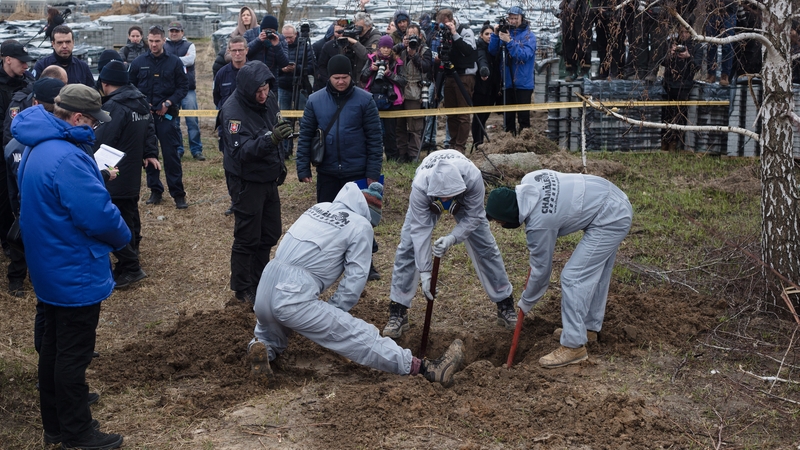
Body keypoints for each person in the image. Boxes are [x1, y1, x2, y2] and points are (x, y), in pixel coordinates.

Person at [246, 181, 465, 388]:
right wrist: (334, 313)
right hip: (294, 294)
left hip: (266, 284)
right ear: (370, 216)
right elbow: (354, 281)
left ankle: (263, 349)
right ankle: (424, 368)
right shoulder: (360, 225)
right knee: (357, 334)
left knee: (269, 332)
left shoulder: (319, 207)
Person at [13, 83, 129, 450]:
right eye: (93, 122)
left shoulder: (35, 146)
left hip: (48, 265)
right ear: (77, 117)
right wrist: (123, 238)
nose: (95, 128)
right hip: (74, 270)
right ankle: (78, 432)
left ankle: (56, 427)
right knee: (72, 357)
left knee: (52, 349)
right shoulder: (69, 158)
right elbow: (98, 216)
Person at [485, 170, 633, 368]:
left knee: (574, 277)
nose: (500, 225)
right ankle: (587, 328)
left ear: (509, 215)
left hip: (611, 217)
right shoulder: (530, 179)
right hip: (610, 195)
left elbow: (541, 272)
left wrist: (526, 302)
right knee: (595, 270)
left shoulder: (540, 224)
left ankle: (574, 346)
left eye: (500, 221)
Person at [382, 150, 516, 338]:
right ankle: (398, 309)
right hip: (428, 195)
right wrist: (426, 273)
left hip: (463, 196)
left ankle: (504, 302)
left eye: (448, 197)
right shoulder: (421, 185)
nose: (445, 203)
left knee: (485, 246)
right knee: (408, 247)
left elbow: (475, 216)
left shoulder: (472, 178)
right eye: (441, 198)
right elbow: (420, 230)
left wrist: (453, 237)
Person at [296, 55, 383, 279]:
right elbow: (305, 136)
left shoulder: (365, 100)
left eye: (345, 77)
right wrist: (302, 167)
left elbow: (375, 139)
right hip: (327, 170)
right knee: (327, 219)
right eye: (337, 77)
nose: (341, 82)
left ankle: (366, 263)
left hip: (358, 171)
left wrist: (372, 173)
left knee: (361, 222)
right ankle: (328, 263)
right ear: (329, 77)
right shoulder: (315, 101)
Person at [218, 60, 291, 304]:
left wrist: (280, 147)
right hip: (246, 181)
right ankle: (242, 287)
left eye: (266, 89)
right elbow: (241, 152)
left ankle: (259, 279)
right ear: (248, 90)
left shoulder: (269, 98)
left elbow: (274, 123)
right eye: (258, 92)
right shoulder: (233, 112)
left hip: (268, 176)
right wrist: (271, 140)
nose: (263, 95)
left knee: (270, 232)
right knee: (248, 235)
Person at [95, 60, 160, 288]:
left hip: (114, 172)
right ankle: (130, 257)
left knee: (115, 220)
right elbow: (150, 129)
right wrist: (151, 152)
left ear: (105, 83)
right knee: (130, 214)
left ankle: (130, 265)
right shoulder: (139, 101)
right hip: (132, 171)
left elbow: (103, 139)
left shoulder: (115, 107)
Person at [129, 25, 189, 209]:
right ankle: (155, 190)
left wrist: (169, 103)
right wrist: (142, 102)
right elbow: (130, 86)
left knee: (171, 155)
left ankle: (178, 193)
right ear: (147, 40)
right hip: (146, 117)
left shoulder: (175, 62)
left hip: (167, 116)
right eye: (151, 41)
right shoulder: (138, 62)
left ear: (164, 41)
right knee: (149, 153)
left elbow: (183, 87)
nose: (154, 44)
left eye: (157, 41)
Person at [0, 40, 33, 268]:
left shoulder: (29, 83)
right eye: (21, 62)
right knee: (3, 199)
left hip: (23, 151)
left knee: (21, 198)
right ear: (7, 60)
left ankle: (21, 241)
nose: (25, 66)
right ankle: (7, 240)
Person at [434, 9, 479, 153]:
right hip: (449, 76)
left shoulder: (465, 31)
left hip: (464, 75)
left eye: (445, 24)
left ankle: (460, 146)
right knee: (451, 113)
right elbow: (445, 52)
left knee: (463, 114)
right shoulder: (443, 34)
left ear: (451, 20)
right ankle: (452, 144)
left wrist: (455, 34)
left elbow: (468, 50)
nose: (443, 27)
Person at [213, 36, 248, 216]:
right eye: (233, 50)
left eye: (240, 50)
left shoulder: (254, 71)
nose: (237, 54)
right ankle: (235, 201)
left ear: (246, 51)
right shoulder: (222, 74)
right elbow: (217, 98)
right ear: (229, 52)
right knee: (230, 168)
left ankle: (249, 201)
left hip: (250, 130)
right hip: (228, 131)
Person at [488, 6, 536, 135]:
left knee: (523, 118)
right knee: (508, 118)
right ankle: (509, 143)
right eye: (511, 18)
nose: (513, 21)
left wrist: (509, 41)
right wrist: (496, 35)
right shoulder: (504, 33)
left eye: (516, 18)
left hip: (523, 83)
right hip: (507, 82)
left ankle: (525, 142)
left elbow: (523, 56)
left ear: (522, 18)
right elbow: (493, 51)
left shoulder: (529, 36)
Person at [361, 35, 405, 161]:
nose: (385, 50)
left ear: (391, 48)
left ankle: (392, 156)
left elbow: (403, 81)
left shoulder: (396, 62)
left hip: (391, 98)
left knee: (391, 131)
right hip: (373, 96)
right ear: (379, 47)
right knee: (375, 130)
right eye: (383, 47)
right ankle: (376, 157)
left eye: (388, 48)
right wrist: (371, 69)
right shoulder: (372, 59)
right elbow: (363, 78)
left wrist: (389, 74)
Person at [164, 21, 204, 161]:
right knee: (174, 122)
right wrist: (179, 60)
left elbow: (190, 60)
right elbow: (168, 61)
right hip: (171, 90)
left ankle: (196, 150)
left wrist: (171, 61)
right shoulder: (164, 45)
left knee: (192, 120)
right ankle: (178, 149)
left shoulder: (190, 45)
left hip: (188, 89)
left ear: (182, 32)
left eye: (177, 31)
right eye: (172, 31)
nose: (174, 33)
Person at [394, 23, 432, 162]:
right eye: (409, 36)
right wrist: (401, 46)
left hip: (416, 91)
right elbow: (388, 53)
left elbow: (426, 68)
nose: (411, 38)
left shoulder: (425, 50)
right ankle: (402, 154)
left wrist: (414, 55)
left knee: (415, 126)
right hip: (400, 90)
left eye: (414, 35)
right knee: (400, 125)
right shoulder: (401, 49)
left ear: (420, 35)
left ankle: (414, 155)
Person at [661, 26, 701, 152]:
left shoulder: (696, 45)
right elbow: (662, 62)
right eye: (681, 32)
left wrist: (688, 57)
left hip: (684, 85)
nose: (683, 35)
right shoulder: (671, 43)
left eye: (686, 32)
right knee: (666, 114)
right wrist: (670, 54)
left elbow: (697, 67)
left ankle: (675, 142)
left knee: (680, 116)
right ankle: (665, 140)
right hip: (668, 83)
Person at [472, 22, 499, 147]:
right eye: (486, 34)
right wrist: (484, 70)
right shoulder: (479, 47)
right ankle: (478, 143)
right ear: (481, 35)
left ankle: (480, 142)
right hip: (480, 88)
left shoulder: (495, 48)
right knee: (478, 118)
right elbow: (481, 60)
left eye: (491, 34)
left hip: (492, 88)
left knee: (484, 118)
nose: (489, 36)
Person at [212, 6, 258, 77]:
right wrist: (239, 55)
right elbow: (227, 55)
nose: (245, 17)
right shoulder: (235, 34)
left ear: (253, 17)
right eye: (243, 15)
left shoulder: (259, 33)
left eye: (248, 15)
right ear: (240, 18)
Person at [244, 14, 290, 80]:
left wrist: (277, 46)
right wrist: (258, 40)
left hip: (271, 80)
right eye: (266, 31)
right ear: (261, 28)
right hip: (251, 77)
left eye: (272, 31)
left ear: (276, 31)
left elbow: (284, 63)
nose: (269, 34)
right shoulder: (249, 34)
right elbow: (243, 53)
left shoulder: (281, 39)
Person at [704, 0, 737, 86]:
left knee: (728, 45)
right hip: (712, 10)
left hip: (729, 10)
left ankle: (725, 75)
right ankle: (711, 74)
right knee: (711, 43)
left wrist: (725, 3)